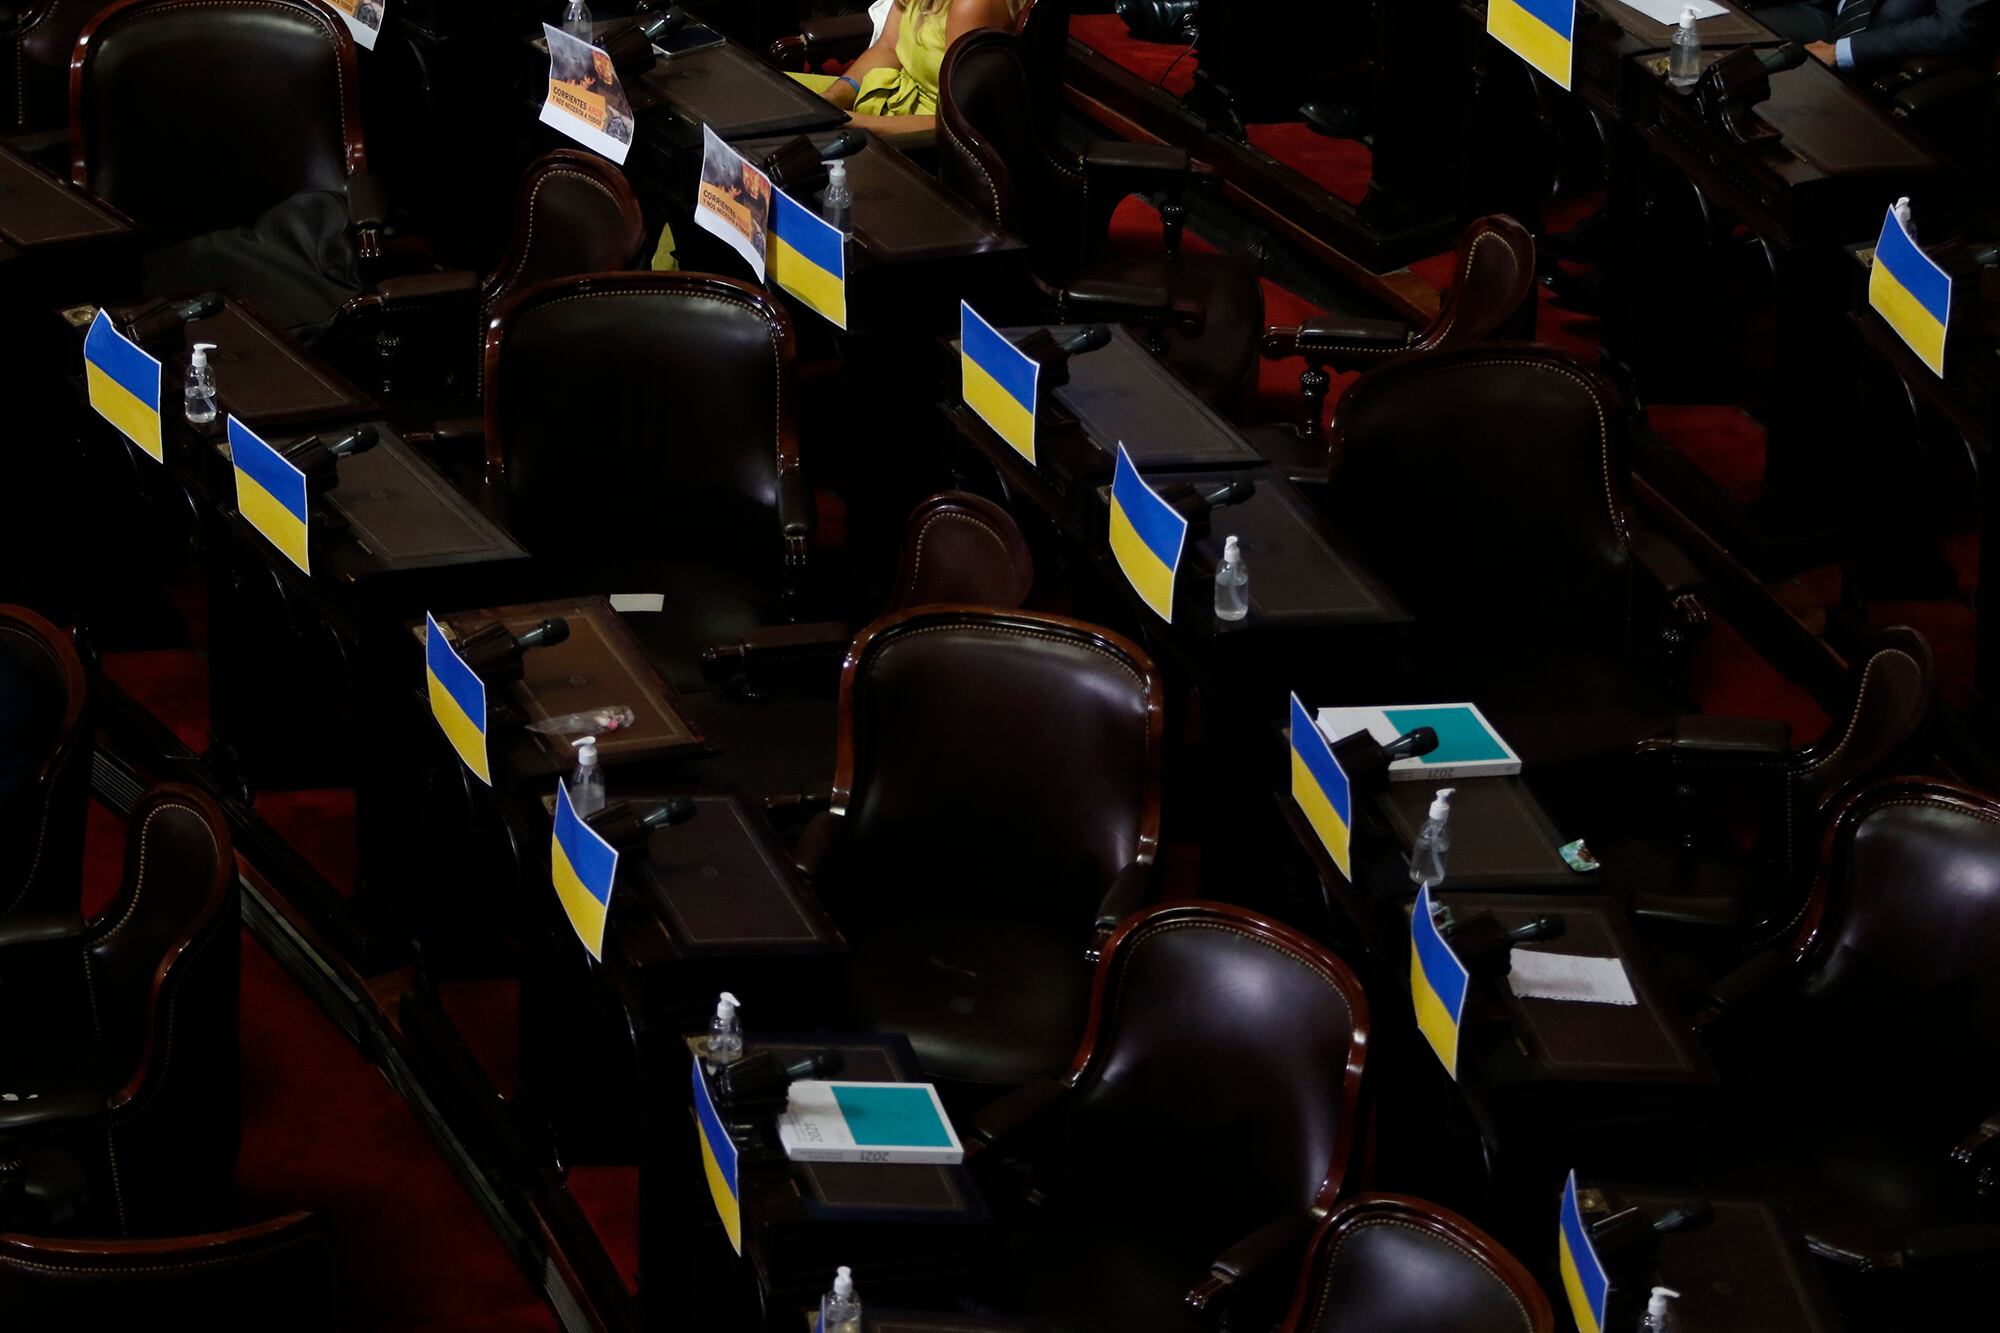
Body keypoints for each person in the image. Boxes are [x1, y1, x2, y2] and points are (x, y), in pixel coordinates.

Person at [796, 0, 1024, 133]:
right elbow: (888, 47)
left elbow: (958, 126)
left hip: (923, 133)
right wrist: (835, 95)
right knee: (770, 94)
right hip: (887, 93)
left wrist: (849, 121)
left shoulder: (973, 6)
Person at [1751, 0, 1997, 73]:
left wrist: (1841, 52)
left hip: (1875, 47)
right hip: (1825, 12)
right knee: (1729, 35)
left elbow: (1955, 26)